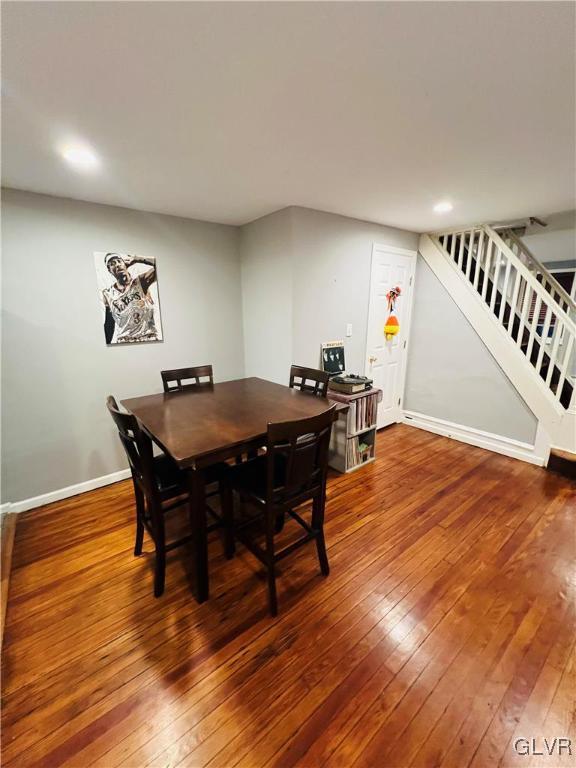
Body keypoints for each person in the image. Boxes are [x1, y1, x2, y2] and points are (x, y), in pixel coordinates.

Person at [102, 253, 159, 344]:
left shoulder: (141, 281)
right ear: (109, 271)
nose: (117, 265)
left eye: (119, 261)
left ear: (125, 264)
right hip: (124, 341)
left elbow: (163, 266)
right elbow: (109, 325)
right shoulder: (108, 294)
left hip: (148, 338)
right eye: (112, 264)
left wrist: (138, 259)